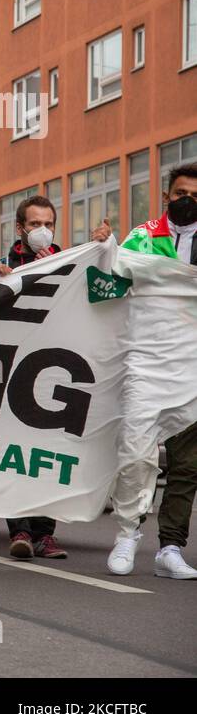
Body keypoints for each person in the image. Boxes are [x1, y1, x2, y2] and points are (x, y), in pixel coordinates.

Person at [0, 195, 111, 560]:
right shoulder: (3, 267)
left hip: (55, 372)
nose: (42, 231)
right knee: (13, 453)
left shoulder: (71, 260)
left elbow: (101, 293)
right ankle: (19, 530)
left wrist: (104, 249)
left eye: (48, 223)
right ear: (20, 229)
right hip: (14, 370)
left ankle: (45, 534)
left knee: (47, 455)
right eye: (35, 224)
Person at [109, 163, 197, 580]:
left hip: (193, 367)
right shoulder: (142, 237)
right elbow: (104, 287)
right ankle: (127, 534)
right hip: (145, 362)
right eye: (180, 193)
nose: (187, 200)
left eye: (195, 195)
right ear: (166, 197)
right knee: (135, 452)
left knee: (186, 464)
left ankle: (171, 548)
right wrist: (101, 254)